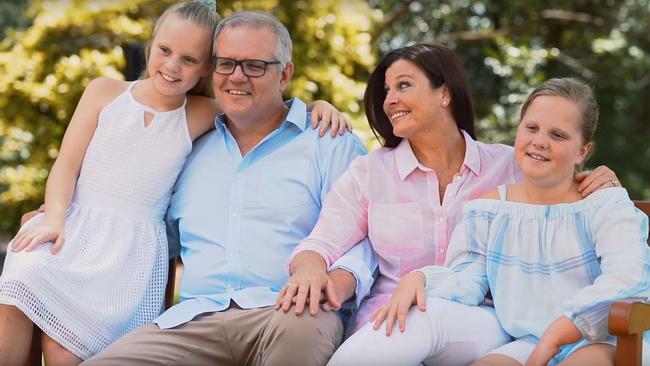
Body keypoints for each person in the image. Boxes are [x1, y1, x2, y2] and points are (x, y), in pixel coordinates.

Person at [0, 3, 352, 366]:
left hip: (151, 262)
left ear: (204, 69)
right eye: (165, 51)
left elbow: (267, 107)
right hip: (93, 243)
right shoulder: (121, 99)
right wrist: (57, 215)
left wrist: (318, 107)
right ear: (152, 45)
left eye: (189, 59)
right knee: (20, 282)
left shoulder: (206, 114)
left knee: (63, 350)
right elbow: (68, 165)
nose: (172, 66)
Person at [281, 43, 621, 366]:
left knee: (426, 317)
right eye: (386, 91)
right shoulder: (370, 173)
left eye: (403, 86)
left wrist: (603, 181)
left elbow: (562, 181)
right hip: (387, 320)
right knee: (407, 324)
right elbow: (321, 242)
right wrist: (310, 268)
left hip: (486, 321)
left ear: (444, 93)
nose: (390, 100)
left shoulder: (507, 167)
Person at [368, 77, 650, 366]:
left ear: (582, 152)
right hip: (528, 341)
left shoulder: (605, 204)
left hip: (604, 338)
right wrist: (422, 278)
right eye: (531, 128)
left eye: (558, 135)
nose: (540, 141)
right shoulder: (491, 209)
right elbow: (468, 278)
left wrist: (558, 332)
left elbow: (629, 280)